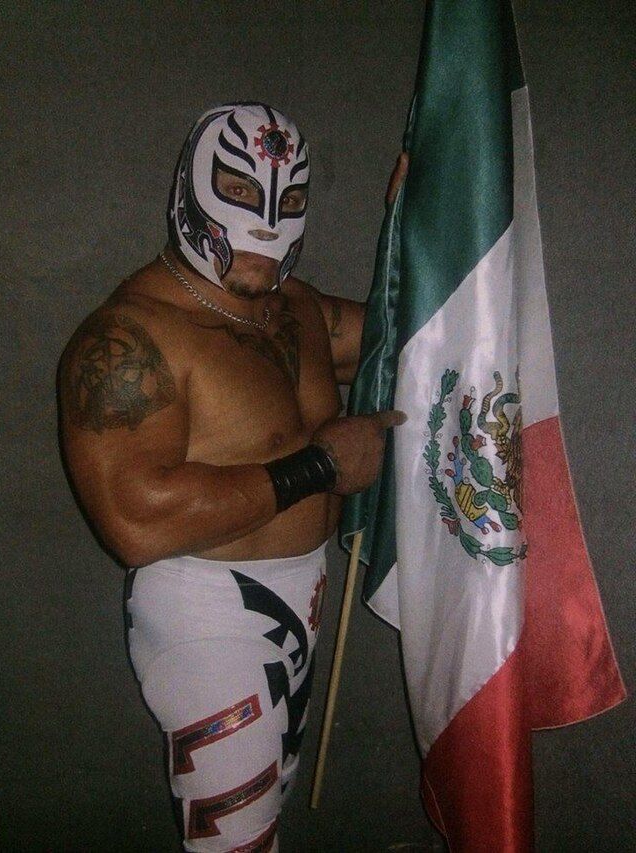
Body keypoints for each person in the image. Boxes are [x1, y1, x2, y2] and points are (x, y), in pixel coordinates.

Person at [59, 102, 407, 853]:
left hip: (302, 601)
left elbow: (409, 332)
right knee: (235, 844)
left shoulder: (297, 308)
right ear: (193, 191)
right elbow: (134, 522)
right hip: (206, 618)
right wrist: (322, 466)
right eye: (242, 192)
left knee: (263, 824)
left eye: (288, 198)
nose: (264, 224)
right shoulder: (130, 336)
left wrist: (426, 213)